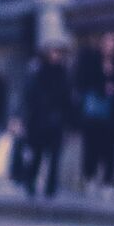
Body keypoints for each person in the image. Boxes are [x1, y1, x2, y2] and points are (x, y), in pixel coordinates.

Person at [22, 41, 74, 198]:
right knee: (37, 155)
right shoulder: (37, 72)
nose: (56, 56)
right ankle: (30, 182)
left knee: (54, 156)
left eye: (58, 53)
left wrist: (67, 118)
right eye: (53, 52)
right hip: (38, 121)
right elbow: (29, 97)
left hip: (56, 121)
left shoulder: (63, 73)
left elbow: (67, 98)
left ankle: (50, 187)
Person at [75, 32, 114, 194]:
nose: (110, 46)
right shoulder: (92, 61)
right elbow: (83, 81)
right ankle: (90, 178)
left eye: (113, 43)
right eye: (107, 42)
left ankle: (108, 181)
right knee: (92, 147)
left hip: (112, 112)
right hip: (94, 111)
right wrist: (103, 86)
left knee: (109, 148)